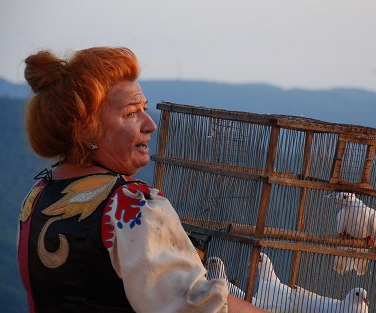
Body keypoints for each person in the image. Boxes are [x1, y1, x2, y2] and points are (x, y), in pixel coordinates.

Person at [17, 47, 268, 313]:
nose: (150, 124)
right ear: (86, 127)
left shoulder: (37, 197)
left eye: (144, 109)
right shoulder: (129, 204)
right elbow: (197, 308)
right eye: (131, 113)